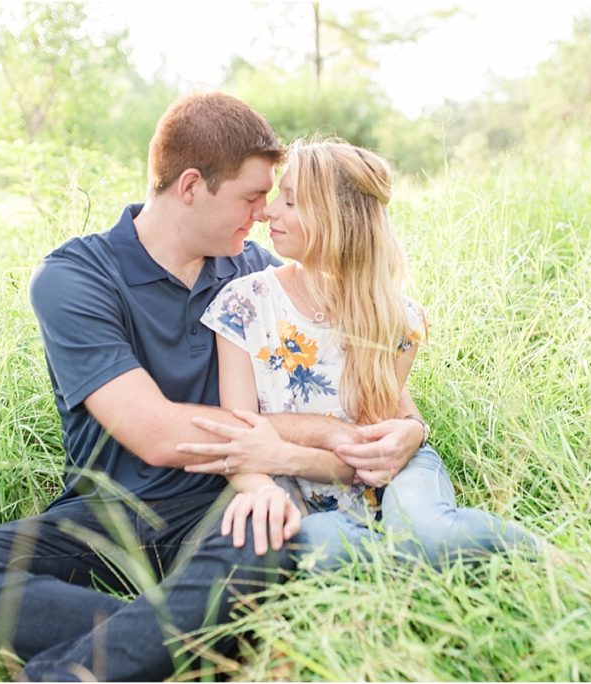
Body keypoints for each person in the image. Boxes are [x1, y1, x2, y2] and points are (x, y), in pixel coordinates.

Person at [0, 94, 427, 682]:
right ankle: (195, 642)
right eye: (250, 198)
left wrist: (409, 429)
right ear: (191, 186)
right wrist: (327, 431)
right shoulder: (75, 277)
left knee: (272, 527)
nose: (264, 215)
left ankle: (90, 667)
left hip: (226, 506)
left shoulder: (255, 275)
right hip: (107, 516)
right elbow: (159, 435)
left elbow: (368, 362)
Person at [178, 140, 541, 571]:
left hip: (391, 473)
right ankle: (398, 567)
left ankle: (555, 561)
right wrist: (267, 482)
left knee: (430, 534)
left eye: (290, 201)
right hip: (295, 489)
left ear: (337, 221)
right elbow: (241, 439)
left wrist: (285, 453)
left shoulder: (397, 320)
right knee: (326, 548)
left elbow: (372, 452)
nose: (269, 211)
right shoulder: (245, 305)